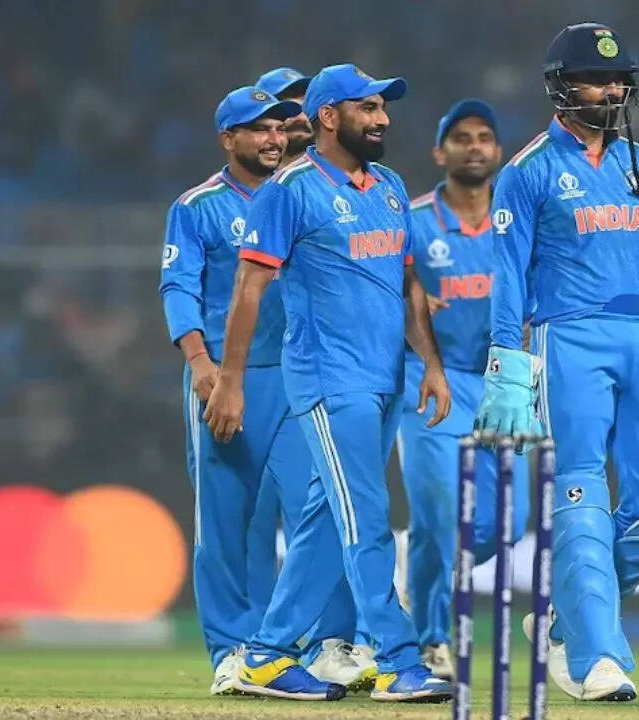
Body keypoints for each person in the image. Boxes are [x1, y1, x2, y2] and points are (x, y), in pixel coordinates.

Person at [202, 63, 454, 703]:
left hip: (385, 379)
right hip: (328, 379)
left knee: (322, 522)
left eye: (384, 107)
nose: (383, 118)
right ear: (328, 117)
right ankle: (397, 659)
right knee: (367, 518)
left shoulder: (389, 185)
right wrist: (230, 379)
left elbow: (407, 283)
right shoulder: (289, 189)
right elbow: (249, 288)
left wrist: (429, 364)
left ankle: (266, 655)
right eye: (368, 107)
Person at [476, 22, 639, 702]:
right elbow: (507, 273)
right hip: (567, 337)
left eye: (618, 80)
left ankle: (562, 619)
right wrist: (506, 358)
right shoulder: (528, 170)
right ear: (561, 87)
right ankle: (596, 657)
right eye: (596, 80)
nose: (611, 90)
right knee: (579, 490)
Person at [158, 85, 365, 695]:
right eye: (258, 129)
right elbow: (178, 287)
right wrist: (202, 364)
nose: (273, 139)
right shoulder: (198, 206)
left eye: (279, 128)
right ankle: (231, 652)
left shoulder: (301, 194)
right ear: (229, 138)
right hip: (229, 377)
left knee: (318, 513)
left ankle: (313, 645)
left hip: (298, 374)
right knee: (226, 521)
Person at [395, 98, 528, 679]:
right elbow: (377, 283)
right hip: (432, 381)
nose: (475, 147)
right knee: (442, 515)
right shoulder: (414, 219)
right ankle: (430, 639)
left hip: (503, 387)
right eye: (462, 138)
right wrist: (409, 299)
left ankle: (420, 569)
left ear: (498, 151)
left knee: (508, 524)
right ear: (439, 152)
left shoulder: (517, 217)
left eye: (485, 138)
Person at [256, 67, 314, 163]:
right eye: (286, 108)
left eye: (306, 106)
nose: (300, 118)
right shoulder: (241, 172)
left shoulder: (336, 168)